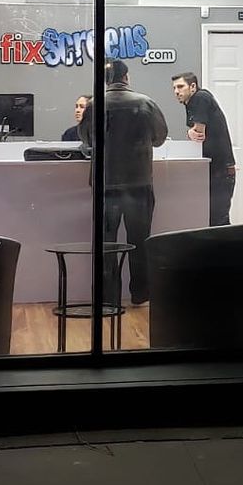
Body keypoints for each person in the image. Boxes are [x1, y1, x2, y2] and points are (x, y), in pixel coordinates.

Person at [80, 60, 168, 305]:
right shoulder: (145, 103)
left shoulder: (94, 104)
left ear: (107, 79)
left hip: (105, 184)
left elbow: (86, 138)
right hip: (138, 182)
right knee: (140, 240)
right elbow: (160, 138)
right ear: (127, 77)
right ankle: (140, 293)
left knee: (106, 245)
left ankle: (108, 298)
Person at [172, 72, 236, 227]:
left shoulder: (200, 98)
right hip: (217, 169)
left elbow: (198, 134)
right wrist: (190, 133)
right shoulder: (195, 101)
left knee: (217, 220)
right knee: (215, 218)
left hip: (219, 171)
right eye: (174, 88)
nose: (176, 91)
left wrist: (190, 133)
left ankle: (228, 250)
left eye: (180, 86)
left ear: (193, 86)